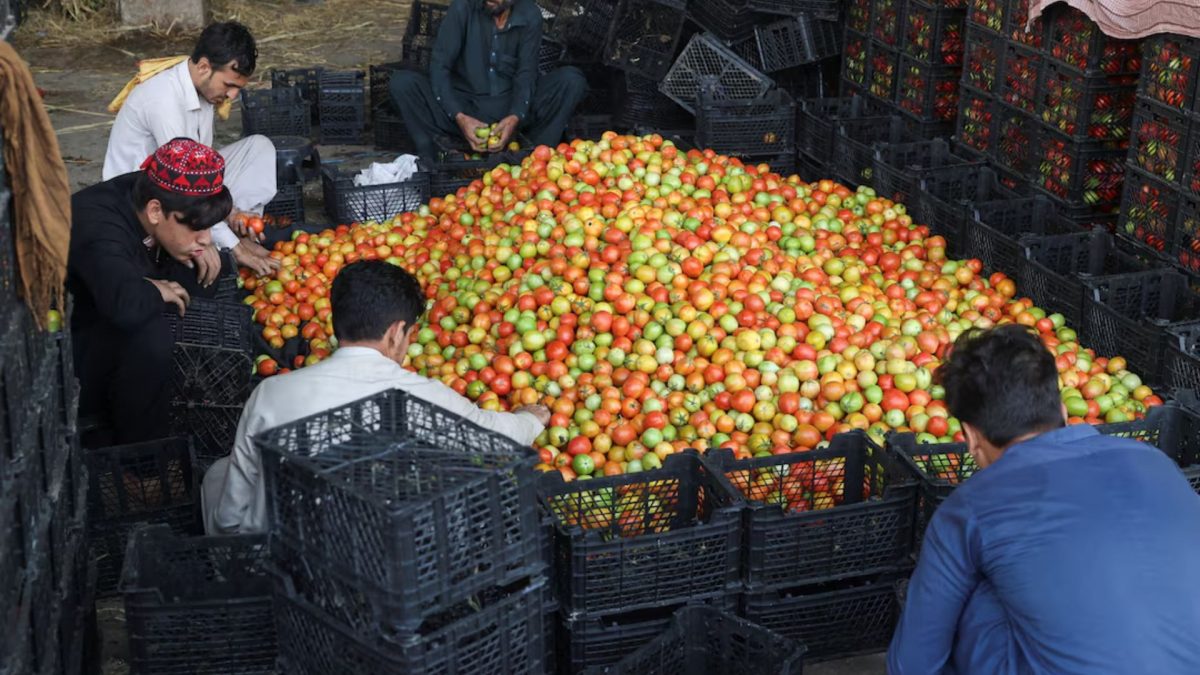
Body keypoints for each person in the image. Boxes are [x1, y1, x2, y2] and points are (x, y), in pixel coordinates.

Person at [888, 324, 1200, 674]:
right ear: (1064, 412)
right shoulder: (1155, 461)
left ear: (971, 437)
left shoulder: (971, 507)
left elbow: (912, 665)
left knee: (973, 590)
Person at [201, 260, 551, 535]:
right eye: (410, 334)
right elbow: (495, 438)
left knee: (218, 473)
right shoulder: (423, 397)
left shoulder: (270, 392)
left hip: (279, 559)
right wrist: (531, 419)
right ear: (397, 332)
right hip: (380, 561)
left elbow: (231, 513)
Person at [69, 138, 233, 444]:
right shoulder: (97, 224)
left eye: (209, 228)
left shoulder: (153, 194)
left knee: (202, 268)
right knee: (151, 337)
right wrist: (154, 291)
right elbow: (124, 305)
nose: (205, 238)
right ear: (155, 211)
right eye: (196, 227)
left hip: (117, 300)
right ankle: (139, 453)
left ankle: (170, 380)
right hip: (76, 344)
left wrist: (198, 240)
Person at [103, 20, 279, 280]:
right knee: (204, 215)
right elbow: (188, 185)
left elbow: (202, 169)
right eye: (228, 85)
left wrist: (233, 213)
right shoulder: (163, 100)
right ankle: (224, 242)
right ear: (204, 67)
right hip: (142, 202)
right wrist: (236, 248)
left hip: (181, 185)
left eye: (237, 89)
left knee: (259, 148)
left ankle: (238, 226)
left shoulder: (203, 90)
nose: (232, 96)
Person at [389, 0, 587, 160]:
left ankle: (533, 158)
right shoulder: (463, 7)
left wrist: (515, 116)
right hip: (464, 104)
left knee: (571, 80)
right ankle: (441, 154)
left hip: (509, 106)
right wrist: (459, 116)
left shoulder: (530, 14)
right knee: (402, 83)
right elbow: (440, 68)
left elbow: (526, 74)